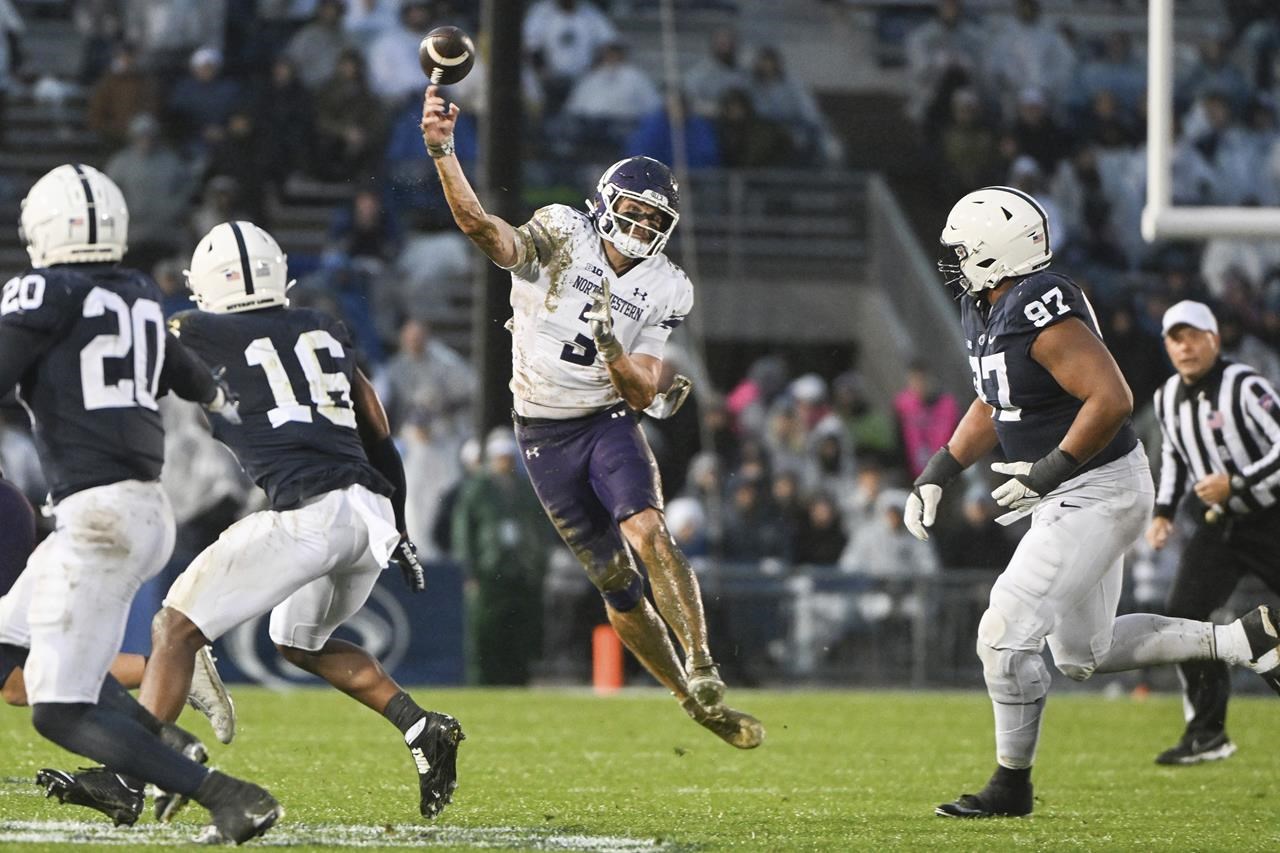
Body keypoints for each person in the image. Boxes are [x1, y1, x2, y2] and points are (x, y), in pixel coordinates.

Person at [906, 186, 1280, 818]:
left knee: (1003, 634)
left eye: (963, 249)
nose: (954, 261)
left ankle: (1011, 785)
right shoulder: (988, 306)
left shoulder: (1039, 309)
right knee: (1085, 655)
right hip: (1079, 490)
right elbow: (997, 399)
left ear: (996, 252)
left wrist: (1048, 471)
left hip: (1096, 488)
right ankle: (1241, 641)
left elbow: (1112, 398)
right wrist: (940, 468)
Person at [421, 84, 763, 749]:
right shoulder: (562, 232)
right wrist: (443, 152)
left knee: (649, 529)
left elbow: (641, 391)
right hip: (541, 430)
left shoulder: (666, 285)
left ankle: (703, 663)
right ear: (604, 203)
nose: (640, 227)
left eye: (653, 219)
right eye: (631, 212)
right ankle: (689, 702)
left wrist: (611, 348)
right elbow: (482, 229)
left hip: (605, 420)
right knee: (616, 583)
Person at [115, 221, 465, 822]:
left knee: (174, 629)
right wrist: (401, 527)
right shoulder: (323, 326)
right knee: (299, 642)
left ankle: (128, 777)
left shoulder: (192, 329)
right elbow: (378, 429)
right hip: (369, 513)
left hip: (309, 513)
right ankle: (420, 726)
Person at [0, 164, 278, 842]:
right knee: (6, 650)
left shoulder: (41, 290)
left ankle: (230, 796)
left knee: (57, 711)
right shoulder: (138, 292)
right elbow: (196, 381)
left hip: (97, 516)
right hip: (139, 505)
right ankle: (169, 747)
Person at [1146, 300, 1280, 765]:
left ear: (1214, 340)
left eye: (1193, 337)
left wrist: (1236, 482)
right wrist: (1163, 512)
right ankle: (1207, 733)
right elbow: (1175, 459)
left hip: (1271, 515)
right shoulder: (1166, 397)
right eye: (1175, 339)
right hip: (1220, 524)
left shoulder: (1244, 384)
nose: (1184, 347)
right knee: (1184, 618)